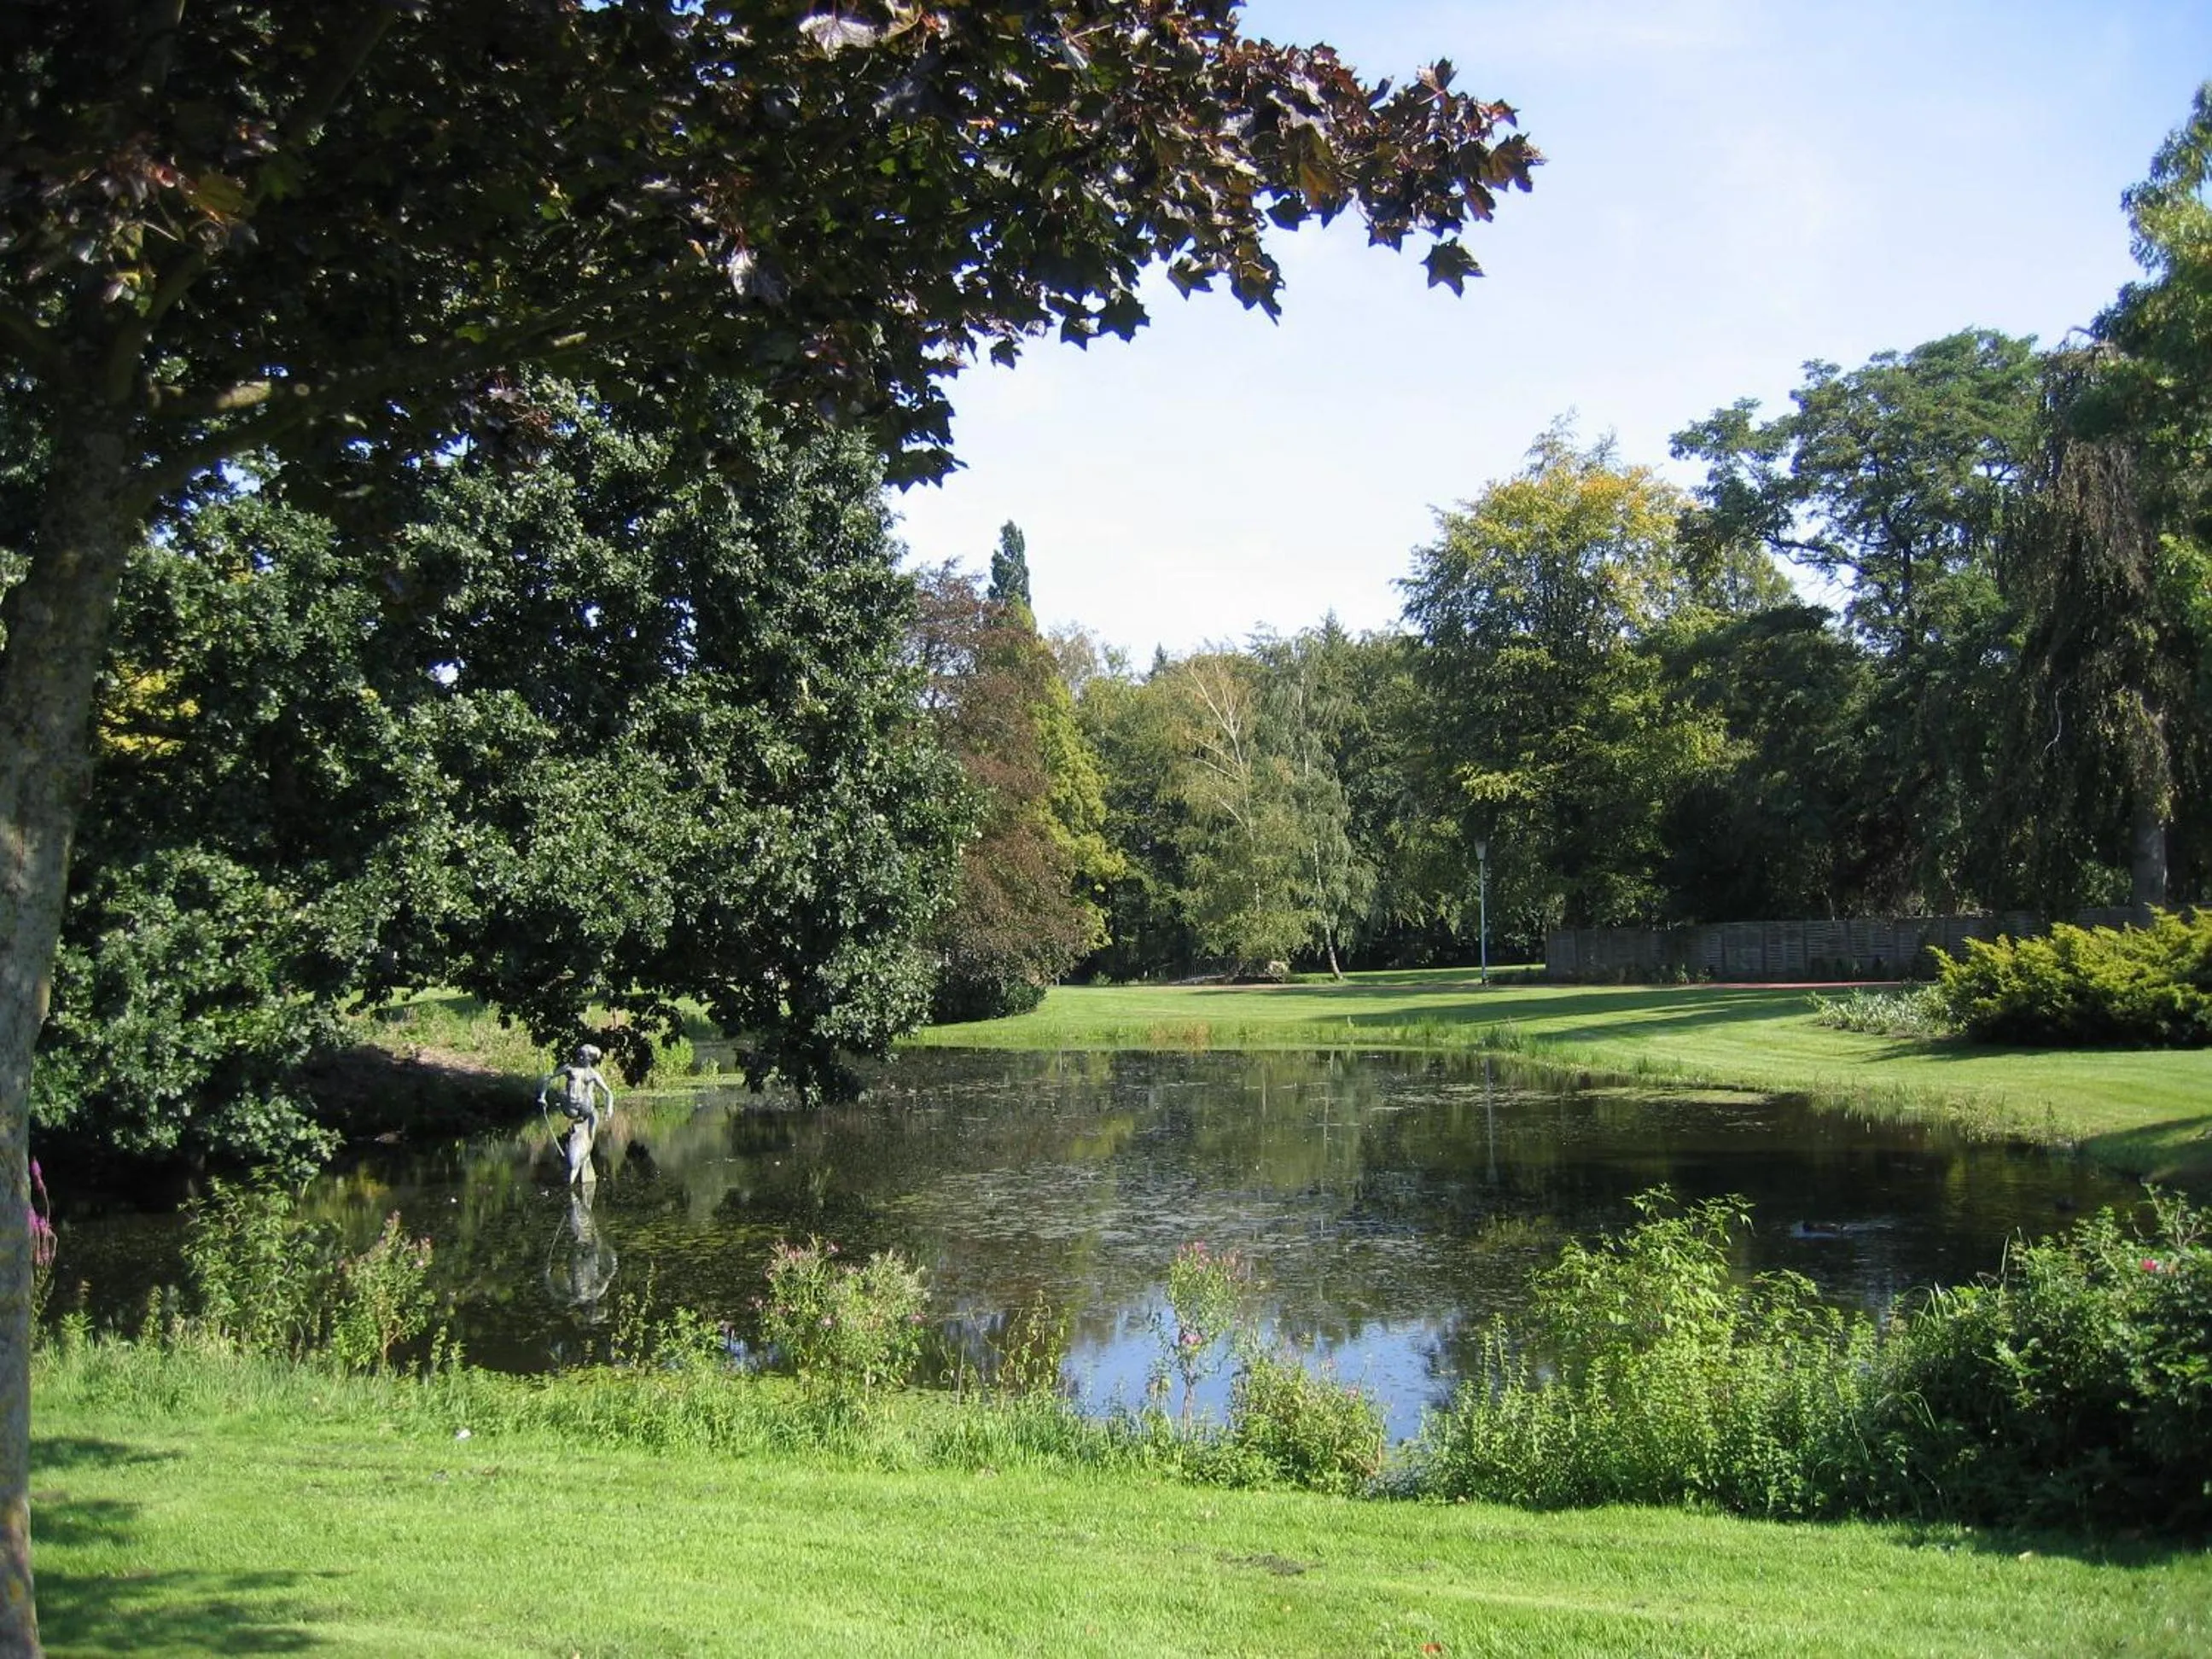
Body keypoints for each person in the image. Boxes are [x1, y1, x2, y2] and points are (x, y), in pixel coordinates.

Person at [538, 1044, 614, 1185]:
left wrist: (609, 1108)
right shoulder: (569, 1068)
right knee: (564, 1097)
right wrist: (542, 1096)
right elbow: (549, 1077)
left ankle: (584, 1152)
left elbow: (608, 1092)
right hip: (570, 1107)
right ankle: (578, 1156)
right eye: (579, 1054)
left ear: (590, 1059)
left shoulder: (593, 1074)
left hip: (586, 1107)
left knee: (591, 1119)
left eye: (583, 1056)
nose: (580, 1057)